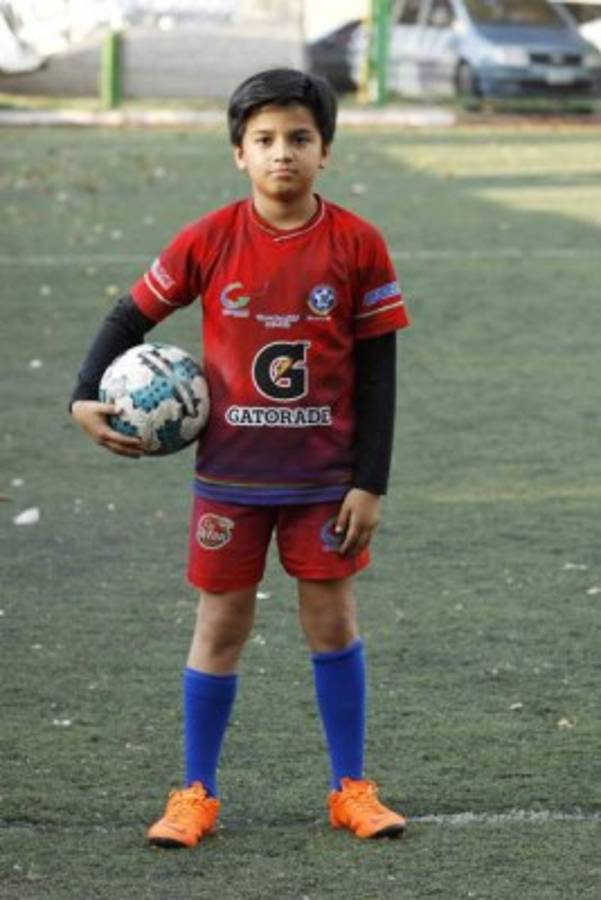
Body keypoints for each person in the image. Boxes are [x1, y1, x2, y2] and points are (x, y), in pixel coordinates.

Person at [70, 68, 410, 847]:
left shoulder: (356, 243)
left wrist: (369, 482)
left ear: (325, 151)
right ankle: (194, 792)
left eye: (299, 138)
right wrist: (83, 393)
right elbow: (131, 312)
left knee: (330, 623)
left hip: (324, 482)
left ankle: (350, 788)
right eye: (264, 140)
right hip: (229, 481)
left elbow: (379, 370)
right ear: (238, 153)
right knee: (219, 625)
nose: (281, 154)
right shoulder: (209, 238)